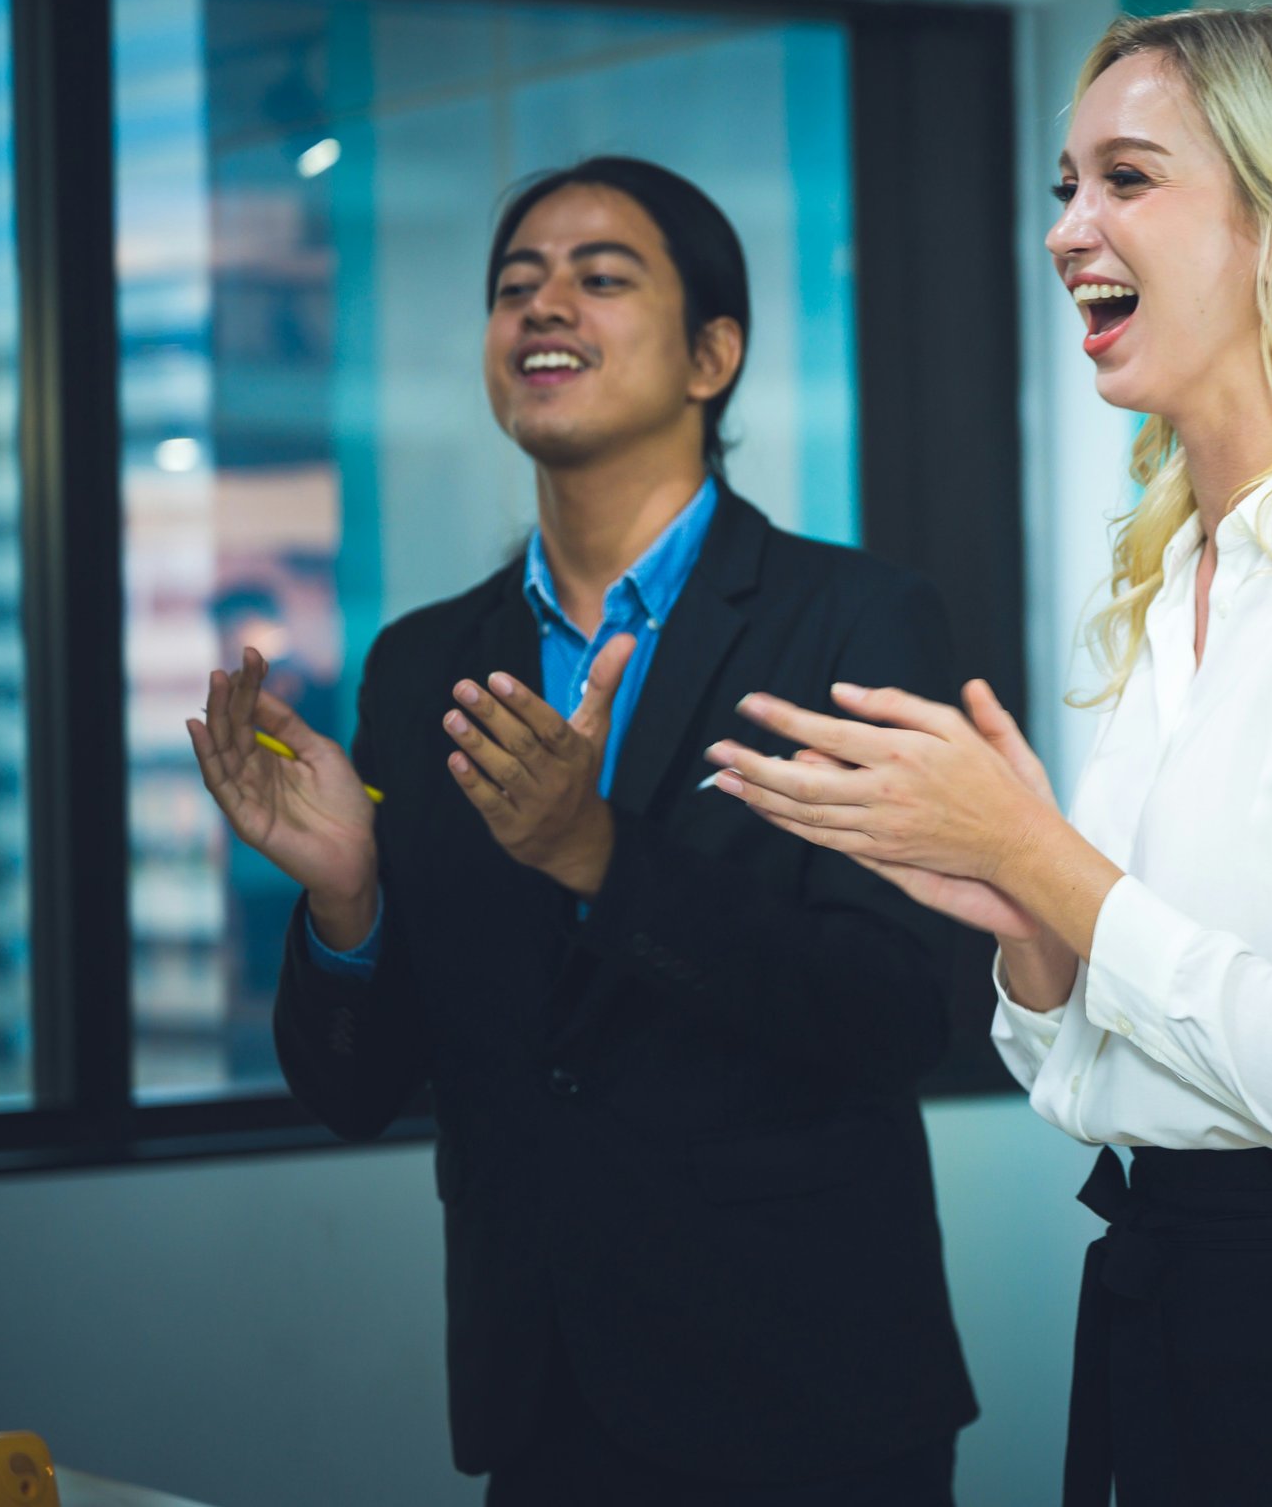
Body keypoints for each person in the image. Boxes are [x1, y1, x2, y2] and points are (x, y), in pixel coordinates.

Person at [704, 6, 1272, 1506]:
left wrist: (1045, 861)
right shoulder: (1176, 567)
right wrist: (1035, 934)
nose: (1070, 231)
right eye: (1065, 186)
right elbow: (1080, 1067)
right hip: (1170, 1297)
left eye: (1127, 177)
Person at [188, 157, 979, 1506]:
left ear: (710, 354)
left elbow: (909, 1014)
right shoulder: (426, 662)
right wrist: (346, 908)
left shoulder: (853, 625)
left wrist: (601, 855)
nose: (544, 304)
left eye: (601, 277)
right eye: (515, 286)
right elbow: (359, 1087)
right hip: (539, 1392)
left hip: (807, 1392)